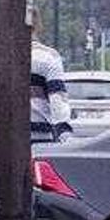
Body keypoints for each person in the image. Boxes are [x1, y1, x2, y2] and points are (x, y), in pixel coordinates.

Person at [30, 11, 71, 143]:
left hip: (3, 140)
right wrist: (64, 133)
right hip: (39, 135)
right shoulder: (47, 57)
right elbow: (57, 100)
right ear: (38, 26)